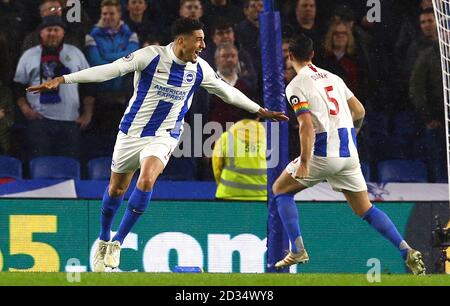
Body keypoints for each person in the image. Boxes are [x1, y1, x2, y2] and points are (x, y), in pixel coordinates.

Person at [27, 18, 288, 272]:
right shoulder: (151, 56)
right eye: (198, 40)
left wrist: (259, 109)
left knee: (147, 179)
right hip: (131, 133)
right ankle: (104, 239)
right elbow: (109, 70)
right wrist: (64, 80)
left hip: (165, 134)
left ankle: (118, 241)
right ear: (181, 41)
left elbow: (226, 92)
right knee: (116, 189)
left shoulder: (200, 69)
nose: (203, 46)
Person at [271, 34, 426, 275]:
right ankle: (406, 250)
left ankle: (298, 249)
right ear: (312, 54)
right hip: (349, 155)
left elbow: (306, 126)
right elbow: (359, 110)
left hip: (322, 155)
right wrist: (354, 132)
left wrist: (304, 161)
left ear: (290, 56)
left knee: (280, 190)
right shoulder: (334, 77)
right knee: (365, 208)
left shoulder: (295, 85)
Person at [14, 15, 94, 159]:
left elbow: (88, 85)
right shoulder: (29, 55)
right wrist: (25, 109)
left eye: (56, 30)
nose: (52, 33)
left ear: (63, 33)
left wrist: (87, 114)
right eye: (48, 30)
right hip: (39, 122)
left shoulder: (75, 53)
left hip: (70, 122)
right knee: (40, 165)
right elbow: (18, 86)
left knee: (68, 167)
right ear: (41, 33)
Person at [212, 111, 267, 201]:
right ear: (258, 117)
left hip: (228, 194)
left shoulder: (226, 137)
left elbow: (217, 166)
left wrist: (221, 184)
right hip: (261, 195)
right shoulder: (268, 139)